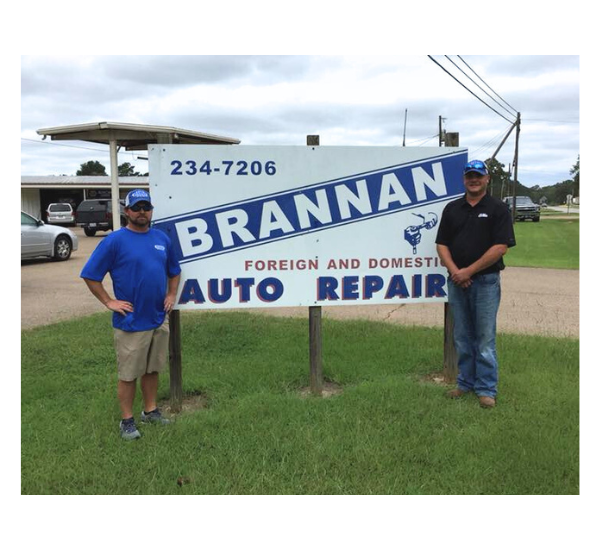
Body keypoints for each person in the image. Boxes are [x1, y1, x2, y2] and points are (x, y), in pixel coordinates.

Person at [81, 189, 181, 440]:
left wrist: (171, 295)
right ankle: (127, 420)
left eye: (146, 207)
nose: (142, 212)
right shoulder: (114, 241)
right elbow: (90, 275)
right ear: (127, 211)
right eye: (136, 208)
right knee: (128, 375)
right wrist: (109, 301)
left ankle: (150, 411)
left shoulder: (161, 239)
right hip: (131, 321)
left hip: (158, 317)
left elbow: (174, 270)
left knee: (152, 369)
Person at [435, 160, 516, 408]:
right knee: (462, 336)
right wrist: (455, 272)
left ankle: (486, 389)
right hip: (456, 281)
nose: (474, 180)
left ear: (487, 179)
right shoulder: (452, 208)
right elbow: (442, 244)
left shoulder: (498, 208)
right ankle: (465, 383)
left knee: (484, 338)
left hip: (486, 281)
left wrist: (468, 271)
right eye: (470, 176)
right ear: (464, 179)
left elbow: (501, 247)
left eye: (478, 176)